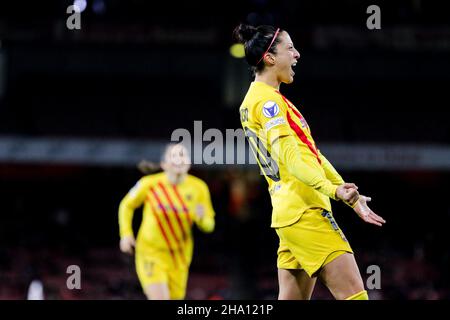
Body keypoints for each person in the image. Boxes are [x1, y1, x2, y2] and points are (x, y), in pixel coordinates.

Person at [234, 23, 386, 300]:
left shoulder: (263, 100)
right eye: (290, 48)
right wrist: (333, 191)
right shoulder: (268, 103)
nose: (297, 54)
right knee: (355, 296)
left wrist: (345, 192)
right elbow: (291, 158)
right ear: (269, 58)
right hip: (305, 212)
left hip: (289, 211)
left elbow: (310, 153)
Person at [118, 143, 215, 300]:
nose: (178, 160)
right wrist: (126, 234)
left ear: (189, 162)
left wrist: (202, 219)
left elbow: (209, 225)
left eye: (182, 155)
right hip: (151, 253)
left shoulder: (199, 188)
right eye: (173, 156)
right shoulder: (149, 183)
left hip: (180, 257)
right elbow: (126, 205)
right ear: (164, 164)